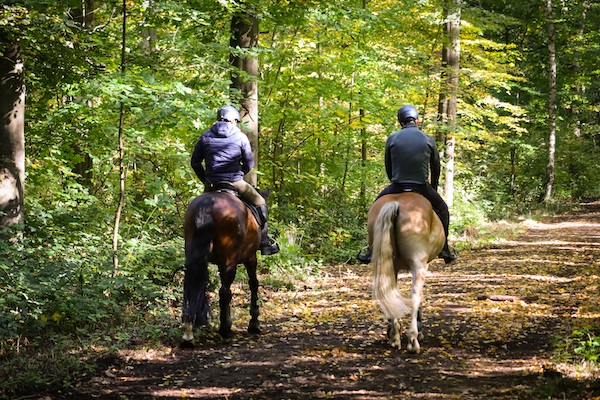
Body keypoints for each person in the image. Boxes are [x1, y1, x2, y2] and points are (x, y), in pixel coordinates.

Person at [357, 105, 458, 264]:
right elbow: (436, 167)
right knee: (443, 209)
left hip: (397, 185)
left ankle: (371, 250)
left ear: (400, 122)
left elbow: (388, 166)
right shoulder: (427, 138)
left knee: (374, 208)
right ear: (417, 120)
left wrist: (394, 180)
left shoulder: (392, 138)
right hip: (421, 186)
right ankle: (444, 248)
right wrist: (433, 187)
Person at [191, 105, 280, 256]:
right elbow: (249, 164)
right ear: (233, 120)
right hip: (235, 182)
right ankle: (264, 242)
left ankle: (192, 242)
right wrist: (239, 174)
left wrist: (205, 179)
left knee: (195, 209)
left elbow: (195, 162)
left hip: (212, 183)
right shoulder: (240, 137)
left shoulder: (206, 136)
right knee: (260, 202)